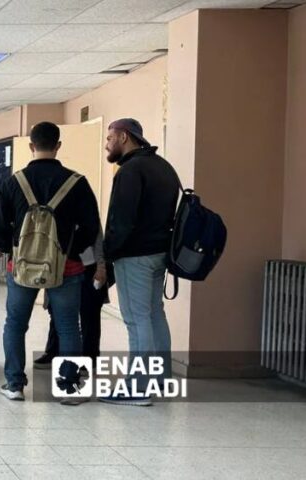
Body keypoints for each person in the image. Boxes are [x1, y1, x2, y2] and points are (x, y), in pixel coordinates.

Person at [0, 122, 100, 403]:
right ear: (58, 145)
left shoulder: (14, 182)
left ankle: (14, 384)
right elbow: (91, 228)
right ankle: (71, 389)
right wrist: (71, 251)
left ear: (31, 146)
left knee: (15, 324)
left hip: (23, 267)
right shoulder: (77, 182)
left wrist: (10, 250)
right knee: (67, 326)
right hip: (67, 268)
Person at [100, 118, 181, 407]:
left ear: (123, 136)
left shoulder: (130, 171)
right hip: (161, 253)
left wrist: (105, 256)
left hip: (135, 256)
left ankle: (137, 388)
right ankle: (160, 379)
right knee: (154, 314)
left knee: (136, 320)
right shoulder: (163, 167)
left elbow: (121, 222)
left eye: (110, 137)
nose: (107, 143)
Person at [35, 230, 111, 367]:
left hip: (89, 267)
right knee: (57, 311)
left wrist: (101, 266)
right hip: (60, 265)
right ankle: (53, 352)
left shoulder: (88, 209)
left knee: (90, 313)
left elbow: (97, 237)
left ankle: (90, 358)